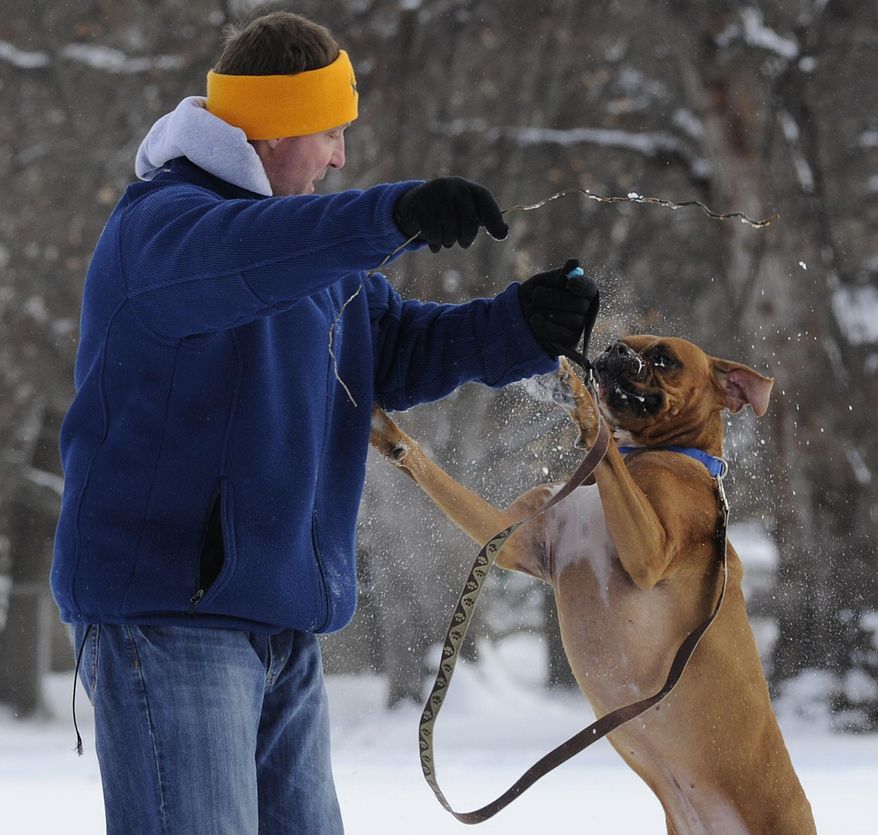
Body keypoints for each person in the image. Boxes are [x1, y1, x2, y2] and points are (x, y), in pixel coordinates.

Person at [50, 10, 599, 835]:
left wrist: (522, 325)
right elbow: (248, 255)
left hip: (278, 624)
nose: (341, 155)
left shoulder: (305, 251)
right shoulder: (163, 231)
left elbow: (395, 348)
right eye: (328, 131)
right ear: (271, 127)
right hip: (169, 620)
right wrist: (394, 213)